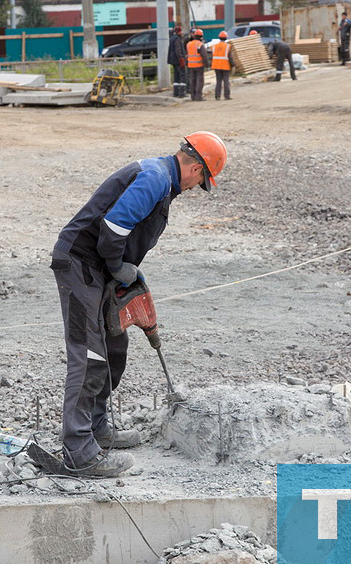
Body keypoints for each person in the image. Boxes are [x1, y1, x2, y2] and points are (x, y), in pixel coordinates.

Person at [51, 132, 228, 476]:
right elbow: (114, 227)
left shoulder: (163, 181)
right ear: (194, 167)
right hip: (80, 263)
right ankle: (78, 452)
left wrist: (125, 273)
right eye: (202, 180)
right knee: (90, 355)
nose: (196, 187)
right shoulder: (156, 178)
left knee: (114, 346)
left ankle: (98, 426)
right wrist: (118, 267)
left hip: (99, 267)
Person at [211, 31, 237, 100]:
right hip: (225, 66)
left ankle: (217, 96)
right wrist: (233, 65)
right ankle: (227, 95)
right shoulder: (228, 46)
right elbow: (230, 57)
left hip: (216, 66)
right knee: (226, 81)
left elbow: (212, 56)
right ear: (226, 38)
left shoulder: (214, 46)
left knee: (218, 81)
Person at [186, 29, 209, 101]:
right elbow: (204, 56)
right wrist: (207, 65)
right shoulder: (200, 44)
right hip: (199, 65)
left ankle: (193, 96)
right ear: (201, 36)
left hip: (190, 65)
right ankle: (199, 96)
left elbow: (187, 54)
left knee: (192, 81)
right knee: (199, 81)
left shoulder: (189, 44)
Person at [168, 27, 187, 98]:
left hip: (173, 61)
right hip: (178, 61)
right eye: (181, 31)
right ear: (178, 32)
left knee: (176, 76)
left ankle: (176, 92)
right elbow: (178, 51)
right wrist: (182, 60)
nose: (182, 33)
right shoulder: (178, 39)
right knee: (182, 75)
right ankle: (182, 93)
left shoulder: (172, 38)